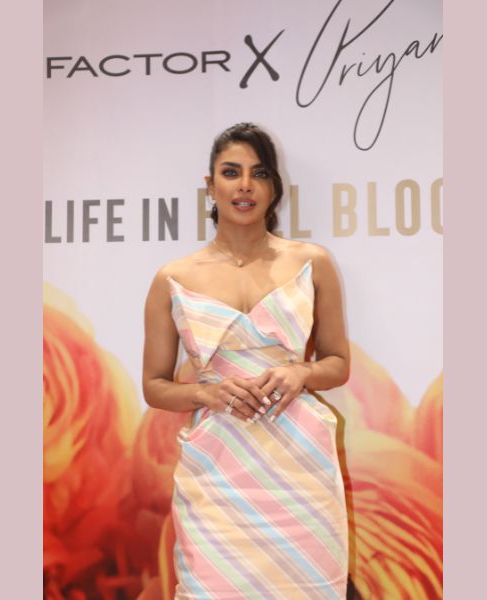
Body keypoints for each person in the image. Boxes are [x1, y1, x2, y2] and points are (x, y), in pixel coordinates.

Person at [142, 122, 350, 599]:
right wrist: (207, 392)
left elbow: (338, 362)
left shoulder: (311, 262)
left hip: (299, 467)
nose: (245, 186)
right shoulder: (173, 277)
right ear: (210, 185)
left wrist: (301, 372)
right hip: (218, 467)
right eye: (231, 172)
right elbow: (154, 385)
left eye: (259, 174)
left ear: (274, 187)